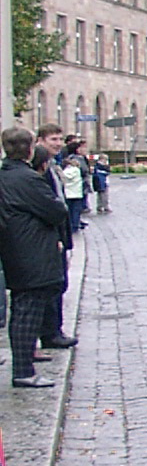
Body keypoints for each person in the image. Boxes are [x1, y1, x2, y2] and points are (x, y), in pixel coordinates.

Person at [0, 125, 67, 403]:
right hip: (31, 253)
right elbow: (56, 210)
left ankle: (23, 367)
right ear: (29, 149)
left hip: (16, 251)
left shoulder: (6, 175)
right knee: (28, 311)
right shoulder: (26, 179)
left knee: (22, 309)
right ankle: (24, 370)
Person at [31, 124, 75, 352]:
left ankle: (54, 330)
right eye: (53, 139)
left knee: (59, 284)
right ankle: (51, 332)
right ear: (40, 141)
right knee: (52, 286)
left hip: (59, 234)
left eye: (60, 139)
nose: (58, 143)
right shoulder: (39, 169)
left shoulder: (53, 165)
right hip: (50, 237)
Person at [59, 137, 90, 233]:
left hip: (71, 191)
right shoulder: (76, 160)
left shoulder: (70, 160)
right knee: (75, 210)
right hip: (76, 190)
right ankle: (74, 225)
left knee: (73, 209)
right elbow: (84, 170)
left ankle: (74, 224)